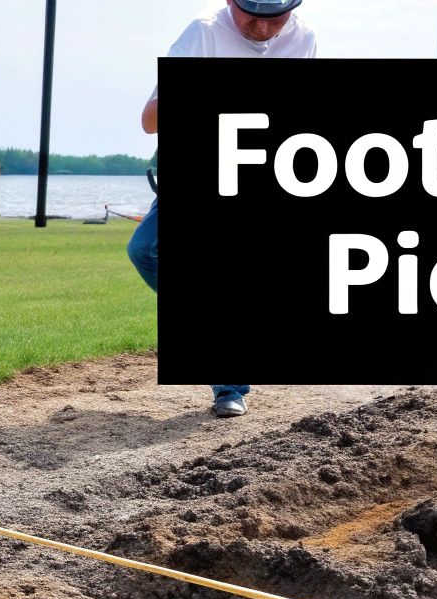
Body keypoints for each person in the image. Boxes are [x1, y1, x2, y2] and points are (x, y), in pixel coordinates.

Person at [130, 0, 317, 418]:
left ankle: (229, 384)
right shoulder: (204, 34)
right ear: (231, 2)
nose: (262, 27)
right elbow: (150, 120)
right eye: (251, 14)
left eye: (275, 17)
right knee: (145, 250)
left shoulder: (303, 38)